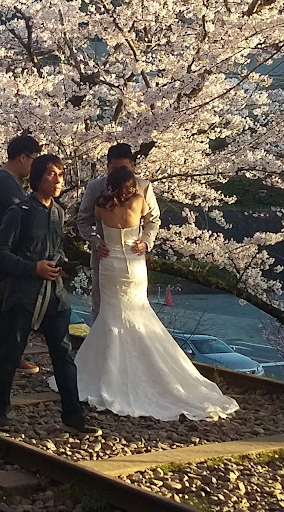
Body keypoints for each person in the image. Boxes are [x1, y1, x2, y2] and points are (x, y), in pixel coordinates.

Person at [72, 167, 239, 420]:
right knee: (138, 311)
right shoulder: (139, 201)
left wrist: (97, 242)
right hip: (135, 262)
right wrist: (145, 239)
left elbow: (85, 222)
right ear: (131, 186)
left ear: (109, 186)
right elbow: (152, 218)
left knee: (111, 314)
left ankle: (107, 371)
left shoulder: (101, 206)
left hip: (109, 263)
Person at [0, 154, 100, 436]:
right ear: (37, 178)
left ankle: (73, 414)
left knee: (63, 354)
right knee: (12, 350)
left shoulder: (59, 213)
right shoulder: (20, 211)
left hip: (54, 295)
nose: (58, 179)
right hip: (23, 294)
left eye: (61, 174)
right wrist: (32, 268)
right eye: (52, 174)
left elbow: (55, 250)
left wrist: (61, 265)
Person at [77, 143, 160, 323]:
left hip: (134, 255)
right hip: (105, 257)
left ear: (132, 165)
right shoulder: (95, 187)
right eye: (114, 169)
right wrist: (96, 242)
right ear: (107, 167)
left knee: (136, 306)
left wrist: (145, 241)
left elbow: (153, 220)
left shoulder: (143, 187)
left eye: (124, 168)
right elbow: (82, 220)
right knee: (102, 308)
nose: (119, 173)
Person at [0, 134, 42, 374]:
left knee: (4, 307)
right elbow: (22, 211)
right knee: (4, 307)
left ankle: (5, 356)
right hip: (2, 250)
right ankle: (3, 358)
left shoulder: (5, 179)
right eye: (33, 160)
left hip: (1, 247)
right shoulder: (5, 182)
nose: (34, 167)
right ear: (22, 157)